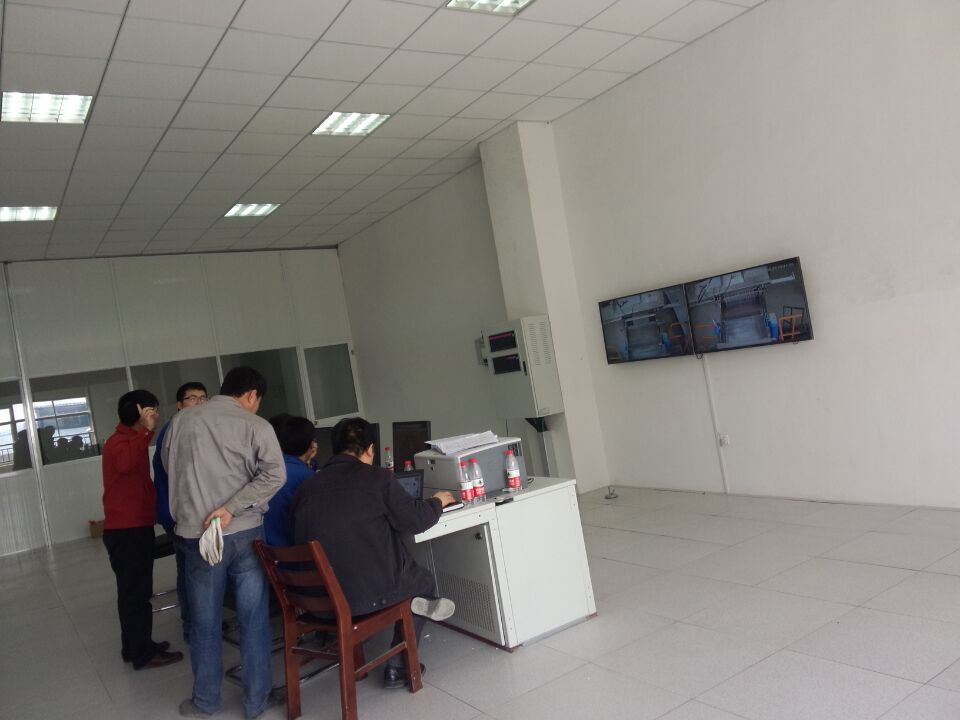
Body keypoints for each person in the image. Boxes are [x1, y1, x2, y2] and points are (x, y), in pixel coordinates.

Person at [291, 416, 457, 689]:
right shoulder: (377, 478)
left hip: (316, 601)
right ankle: (399, 666)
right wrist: (437, 501)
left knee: (365, 558)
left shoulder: (306, 488)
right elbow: (415, 520)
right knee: (423, 581)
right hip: (358, 599)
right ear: (370, 449)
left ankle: (397, 630)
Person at [163, 367, 284, 720]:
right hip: (245, 533)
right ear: (251, 395)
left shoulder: (181, 421)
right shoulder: (256, 425)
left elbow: (171, 467)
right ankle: (257, 700)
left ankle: (204, 702)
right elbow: (275, 475)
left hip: (196, 534)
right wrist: (231, 507)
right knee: (253, 618)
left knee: (204, 622)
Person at [101, 389, 184, 670]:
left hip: (133, 528)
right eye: (152, 411)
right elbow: (126, 464)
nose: (156, 416)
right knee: (136, 594)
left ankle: (134, 646)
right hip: (128, 532)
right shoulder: (119, 442)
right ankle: (142, 654)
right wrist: (146, 431)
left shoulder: (128, 440)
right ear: (140, 413)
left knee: (132, 593)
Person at [153, 381, 208, 641]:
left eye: (203, 398)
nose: (198, 403)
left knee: (188, 568)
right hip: (179, 514)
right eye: (191, 398)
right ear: (179, 405)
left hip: (184, 512)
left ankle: (194, 623)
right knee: (192, 571)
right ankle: (194, 626)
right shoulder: (175, 430)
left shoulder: (193, 428)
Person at [263, 414, 317, 548]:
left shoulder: (268, 468)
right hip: (292, 550)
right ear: (312, 445)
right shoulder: (307, 477)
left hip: (266, 549)